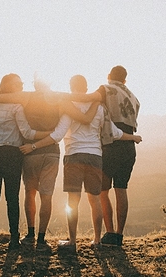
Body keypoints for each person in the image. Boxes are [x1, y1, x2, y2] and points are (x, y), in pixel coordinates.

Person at [19, 75, 142, 251]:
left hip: (74, 156)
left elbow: (57, 135)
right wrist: (133, 137)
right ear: (86, 88)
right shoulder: (99, 108)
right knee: (95, 200)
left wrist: (34, 146)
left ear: (71, 87)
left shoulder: (69, 107)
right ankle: (97, 240)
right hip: (95, 157)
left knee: (73, 201)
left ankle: (72, 241)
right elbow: (114, 132)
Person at [0, 76, 98, 250]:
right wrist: (97, 98)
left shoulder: (26, 97)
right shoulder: (60, 98)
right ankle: (41, 240)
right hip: (51, 153)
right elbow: (83, 109)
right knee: (46, 195)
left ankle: (30, 234)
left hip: (29, 152)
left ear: (35, 84)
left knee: (30, 193)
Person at [68, 65, 141, 246]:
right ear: (125, 80)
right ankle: (119, 234)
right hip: (128, 145)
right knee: (121, 189)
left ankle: (108, 233)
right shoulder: (133, 97)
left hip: (110, 144)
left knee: (102, 190)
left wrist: (61, 97)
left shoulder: (105, 89)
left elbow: (87, 98)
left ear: (109, 76)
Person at [0, 73, 51, 251]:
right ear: (9, 87)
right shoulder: (17, 107)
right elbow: (27, 133)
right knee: (12, 198)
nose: (21, 85)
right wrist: (49, 134)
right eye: (18, 83)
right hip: (11, 154)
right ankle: (14, 239)